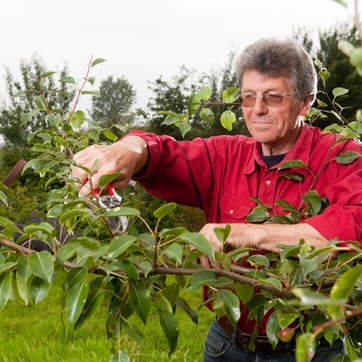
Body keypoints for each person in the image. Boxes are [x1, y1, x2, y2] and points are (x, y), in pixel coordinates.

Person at [71, 37, 362, 361]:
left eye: (273, 97)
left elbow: (353, 226)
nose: (258, 109)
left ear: (305, 103)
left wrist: (252, 232)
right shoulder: (223, 155)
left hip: (312, 349)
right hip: (228, 344)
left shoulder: (340, 157)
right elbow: (163, 154)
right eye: (248, 97)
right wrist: (127, 150)